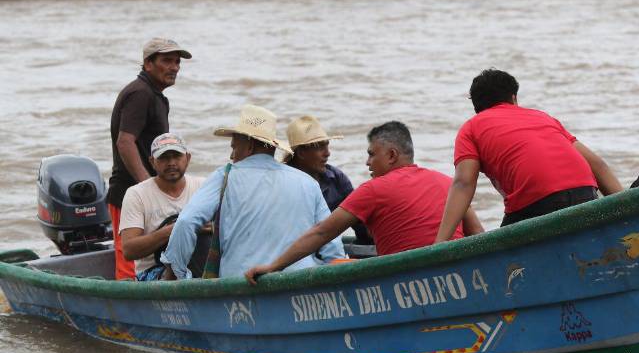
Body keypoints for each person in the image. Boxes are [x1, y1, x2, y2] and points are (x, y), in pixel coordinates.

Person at [244, 121, 483, 283]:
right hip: (454, 274)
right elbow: (478, 235)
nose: (367, 163)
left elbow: (321, 233)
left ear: (391, 155)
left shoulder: (373, 189)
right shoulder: (448, 183)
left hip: (407, 280)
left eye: (371, 154)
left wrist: (273, 267)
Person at [434, 68, 623, 243]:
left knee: (503, 260)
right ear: (514, 98)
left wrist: (439, 244)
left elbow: (463, 183)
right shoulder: (542, 117)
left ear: (476, 107)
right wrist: (626, 208)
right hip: (586, 194)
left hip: (536, 202)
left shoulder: (471, 128)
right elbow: (598, 165)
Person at [161, 105, 345, 279]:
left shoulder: (225, 176)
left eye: (234, 147)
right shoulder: (307, 182)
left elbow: (185, 223)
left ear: (249, 146)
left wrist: (179, 273)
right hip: (299, 281)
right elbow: (331, 244)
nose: (232, 155)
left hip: (242, 284)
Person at [107, 37, 192, 280]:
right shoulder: (140, 93)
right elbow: (125, 142)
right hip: (128, 193)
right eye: (167, 60)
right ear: (148, 64)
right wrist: (149, 188)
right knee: (129, 268)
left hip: (141, 192)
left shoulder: (154, 95)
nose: (174, 67)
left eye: (177, 62)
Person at [118, 133, 205, 281]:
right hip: (154, 270)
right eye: (164, 157)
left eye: (176, 156)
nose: (171, 162)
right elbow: (128, 250)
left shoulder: (203, 187)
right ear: (152, 162)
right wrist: (175, 230)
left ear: (188, 158)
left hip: (202, 262)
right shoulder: (136, 194)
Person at [284, 115, 370, 243]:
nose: (328, 153)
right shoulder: (282, 182)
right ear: (301, 153)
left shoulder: (336, 178)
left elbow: (360, 223)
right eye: (320, 147)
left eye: (327, 146)